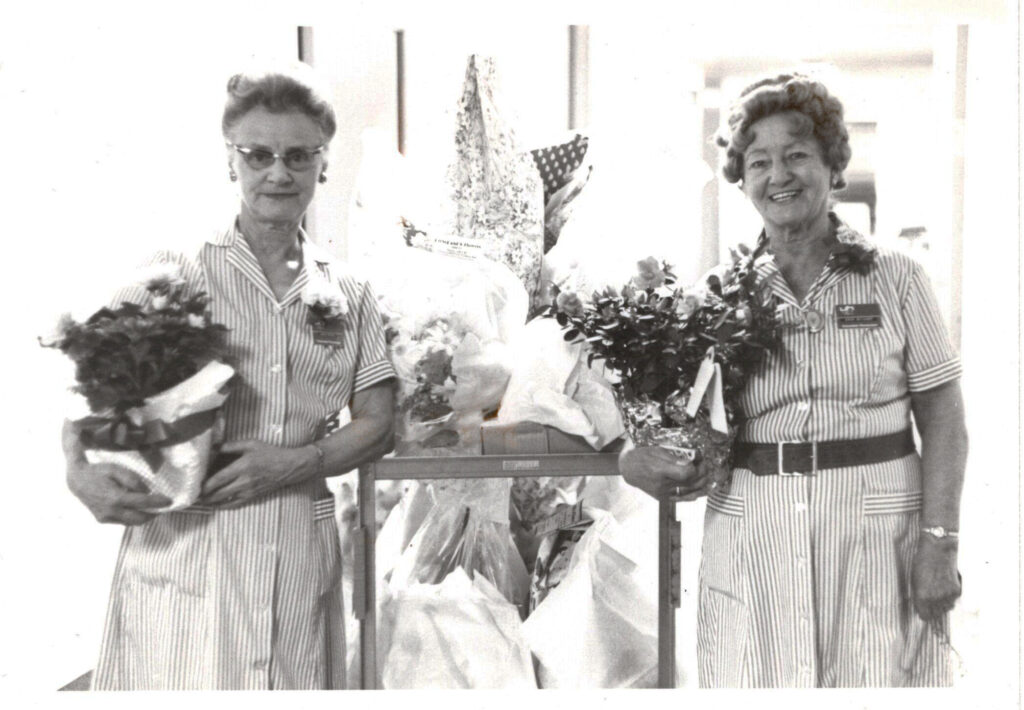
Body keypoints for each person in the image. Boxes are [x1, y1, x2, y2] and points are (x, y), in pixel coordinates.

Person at [618, 73, 967, 687]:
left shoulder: (899, 279)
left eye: (797, 154)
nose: (778, 175)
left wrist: (940, 542)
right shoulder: (713, 296)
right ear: (743, 181)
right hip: (756, 533)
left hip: (878, 535)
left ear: (833, 167)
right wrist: (636, 461)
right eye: (759, 162)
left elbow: (943, 419)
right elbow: (669, 426)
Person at [61, 62, 397, 690]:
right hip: (189, 544)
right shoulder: (179, 268)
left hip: (299, 540)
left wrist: (298, 461)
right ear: (230, 161)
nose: (278, 173)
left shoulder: (350, 291)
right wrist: (78, 470)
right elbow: (91, 374)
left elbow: (377, 425)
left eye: (299, 156)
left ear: (323, 164)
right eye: (258, 154)